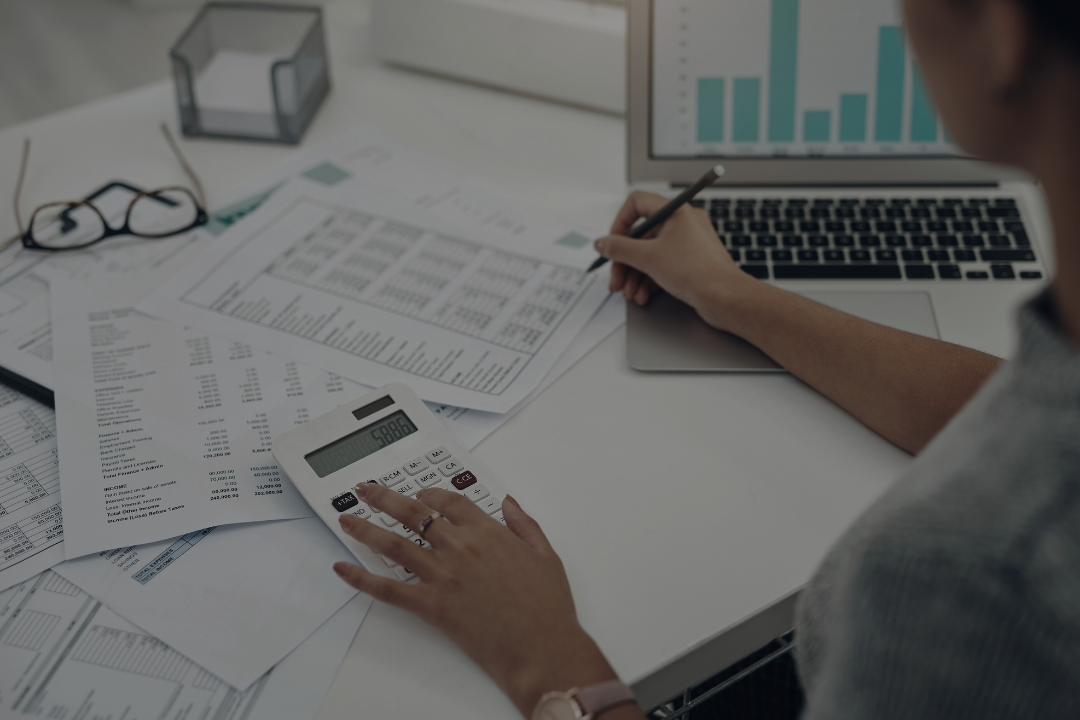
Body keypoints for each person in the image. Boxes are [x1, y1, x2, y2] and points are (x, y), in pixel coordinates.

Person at [332, 0, 1080, 716]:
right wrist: (732, 297)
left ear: (1004, 34)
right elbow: (1000, 405)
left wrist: (544, 659)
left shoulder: (967, 580)